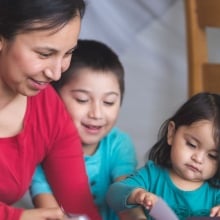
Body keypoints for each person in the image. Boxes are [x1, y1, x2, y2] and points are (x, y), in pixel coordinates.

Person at [0, 1, 101, 220]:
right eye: (45, 54)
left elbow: (78, 204)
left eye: (68, 53)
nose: (56, 74)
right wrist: (17, 217)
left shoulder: (48, 109)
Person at [30, 39, 138, 220]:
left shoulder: (119, 144)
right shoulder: (40, 151)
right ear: (53, 97)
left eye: (108, 102)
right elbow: (48, 210)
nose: (96, 113)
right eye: (82, 99)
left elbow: (125, 195)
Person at [106, 92, 220, 220]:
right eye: (192, 144)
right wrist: (137, 194)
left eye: (212, 156)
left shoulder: (216, 191)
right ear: (171, 133)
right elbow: (114, 193)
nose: (198, 159)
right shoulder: (151, 176)